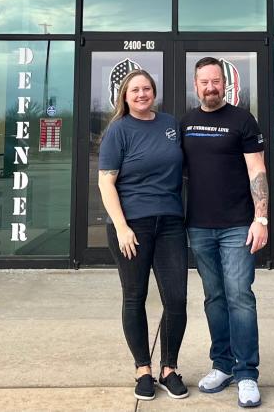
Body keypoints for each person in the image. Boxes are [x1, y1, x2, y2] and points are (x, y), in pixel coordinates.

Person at [181, 57, 268, 409]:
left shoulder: (242, 120)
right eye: (204, 82)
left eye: (216, 81)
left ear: (224, 83)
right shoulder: (186, 123)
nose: (210, 87)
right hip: (199, 225)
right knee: (214, 298)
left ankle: (246, 373)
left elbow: (257, 171)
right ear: (195, 84)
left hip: (236, 226)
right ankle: (222, 365)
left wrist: (260, 220)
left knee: (239, 296)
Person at [98, 68, 189, 401]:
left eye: (146, 88)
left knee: (176, 299)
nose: (141, 94)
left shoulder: (169, 125)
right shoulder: (118, 131)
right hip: (131, 226)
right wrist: (122, 227)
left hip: (169, 224)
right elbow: (106, 182)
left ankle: (169, 368)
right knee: (135, 297)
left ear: (154, 92)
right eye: (134, 89)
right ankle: (143, 370)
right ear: (125, 95)